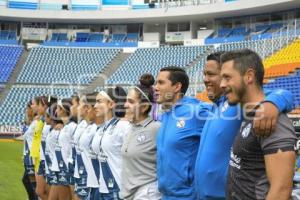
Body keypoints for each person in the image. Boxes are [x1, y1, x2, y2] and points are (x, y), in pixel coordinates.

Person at [194, 51, 295, 200]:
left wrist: (273, 103)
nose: (206, 80)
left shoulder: (253, 108)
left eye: (225, 77)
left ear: (248, 76)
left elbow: (281, 189)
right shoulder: (219, 106)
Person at [154, 66, 210, 199]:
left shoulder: (196, 111)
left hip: (188, 196)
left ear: (177, 87)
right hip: (165, 195)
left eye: (161, 83)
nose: (155, 87)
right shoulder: (166, 114)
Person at [121, 76, 161, 200]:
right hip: (129, 194)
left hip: (147, 193)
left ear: (144, 107)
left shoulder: (156, 128)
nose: (125, 105)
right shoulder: (129, 128)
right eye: (126, 100)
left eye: (131, 102)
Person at [94, 86, 131, 199]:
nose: (95, 106)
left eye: (99, 102)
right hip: (104, 187)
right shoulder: (104, 127)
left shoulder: (123, 126)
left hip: (118, 188)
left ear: (111, 104)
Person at [36, 96, 57, 200]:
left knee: (46, 193)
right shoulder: (44, 122)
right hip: (43, 159)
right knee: (40, 192)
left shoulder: (51, 125)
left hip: (49, 162)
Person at [22, 101, 38, 200]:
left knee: (32, 183)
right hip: (28, 156)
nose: (27, 111)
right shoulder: (31, 122)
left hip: (33, 158)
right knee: (28, 181)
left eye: (28, 108)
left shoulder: (36, 122)